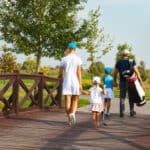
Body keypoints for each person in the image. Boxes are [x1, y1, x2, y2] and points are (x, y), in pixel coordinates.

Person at [114, 49, 144, 117]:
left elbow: (115, 73)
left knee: (122, 97)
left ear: (122, 54)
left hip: (122, 81)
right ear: (128, 54)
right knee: (131, 97)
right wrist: (141, 81)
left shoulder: (118, 62)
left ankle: (122, 112)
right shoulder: (132, 61)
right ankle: (131, 111)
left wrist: (115, 81)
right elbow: (137, 72)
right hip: (131, 82)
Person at [59, 42, 82, 125]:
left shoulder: (64, 59)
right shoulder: (78, 59)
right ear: (75, 49)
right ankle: (72, 113)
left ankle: (69, 120)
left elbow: (60, 73)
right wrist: (80, 84)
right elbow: (79, 73)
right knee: (75, 99)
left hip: (67, 81)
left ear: (68, 48)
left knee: (67, 100)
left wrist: (60, 77)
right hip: (75, 81)